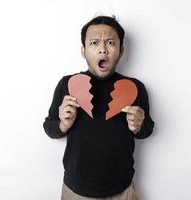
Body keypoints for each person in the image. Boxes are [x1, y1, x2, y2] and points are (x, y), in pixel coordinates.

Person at [43, 15, 154, 200]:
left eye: (110, 43)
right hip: (75, 191)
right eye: (94, 43)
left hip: (123, 190)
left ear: (121, 50)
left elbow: (147, 129)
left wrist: (139, 127)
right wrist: (62, 124)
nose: (103, 49)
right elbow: (49, 128)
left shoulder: (135, 88)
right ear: (83, 50)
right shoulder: (67, 84)